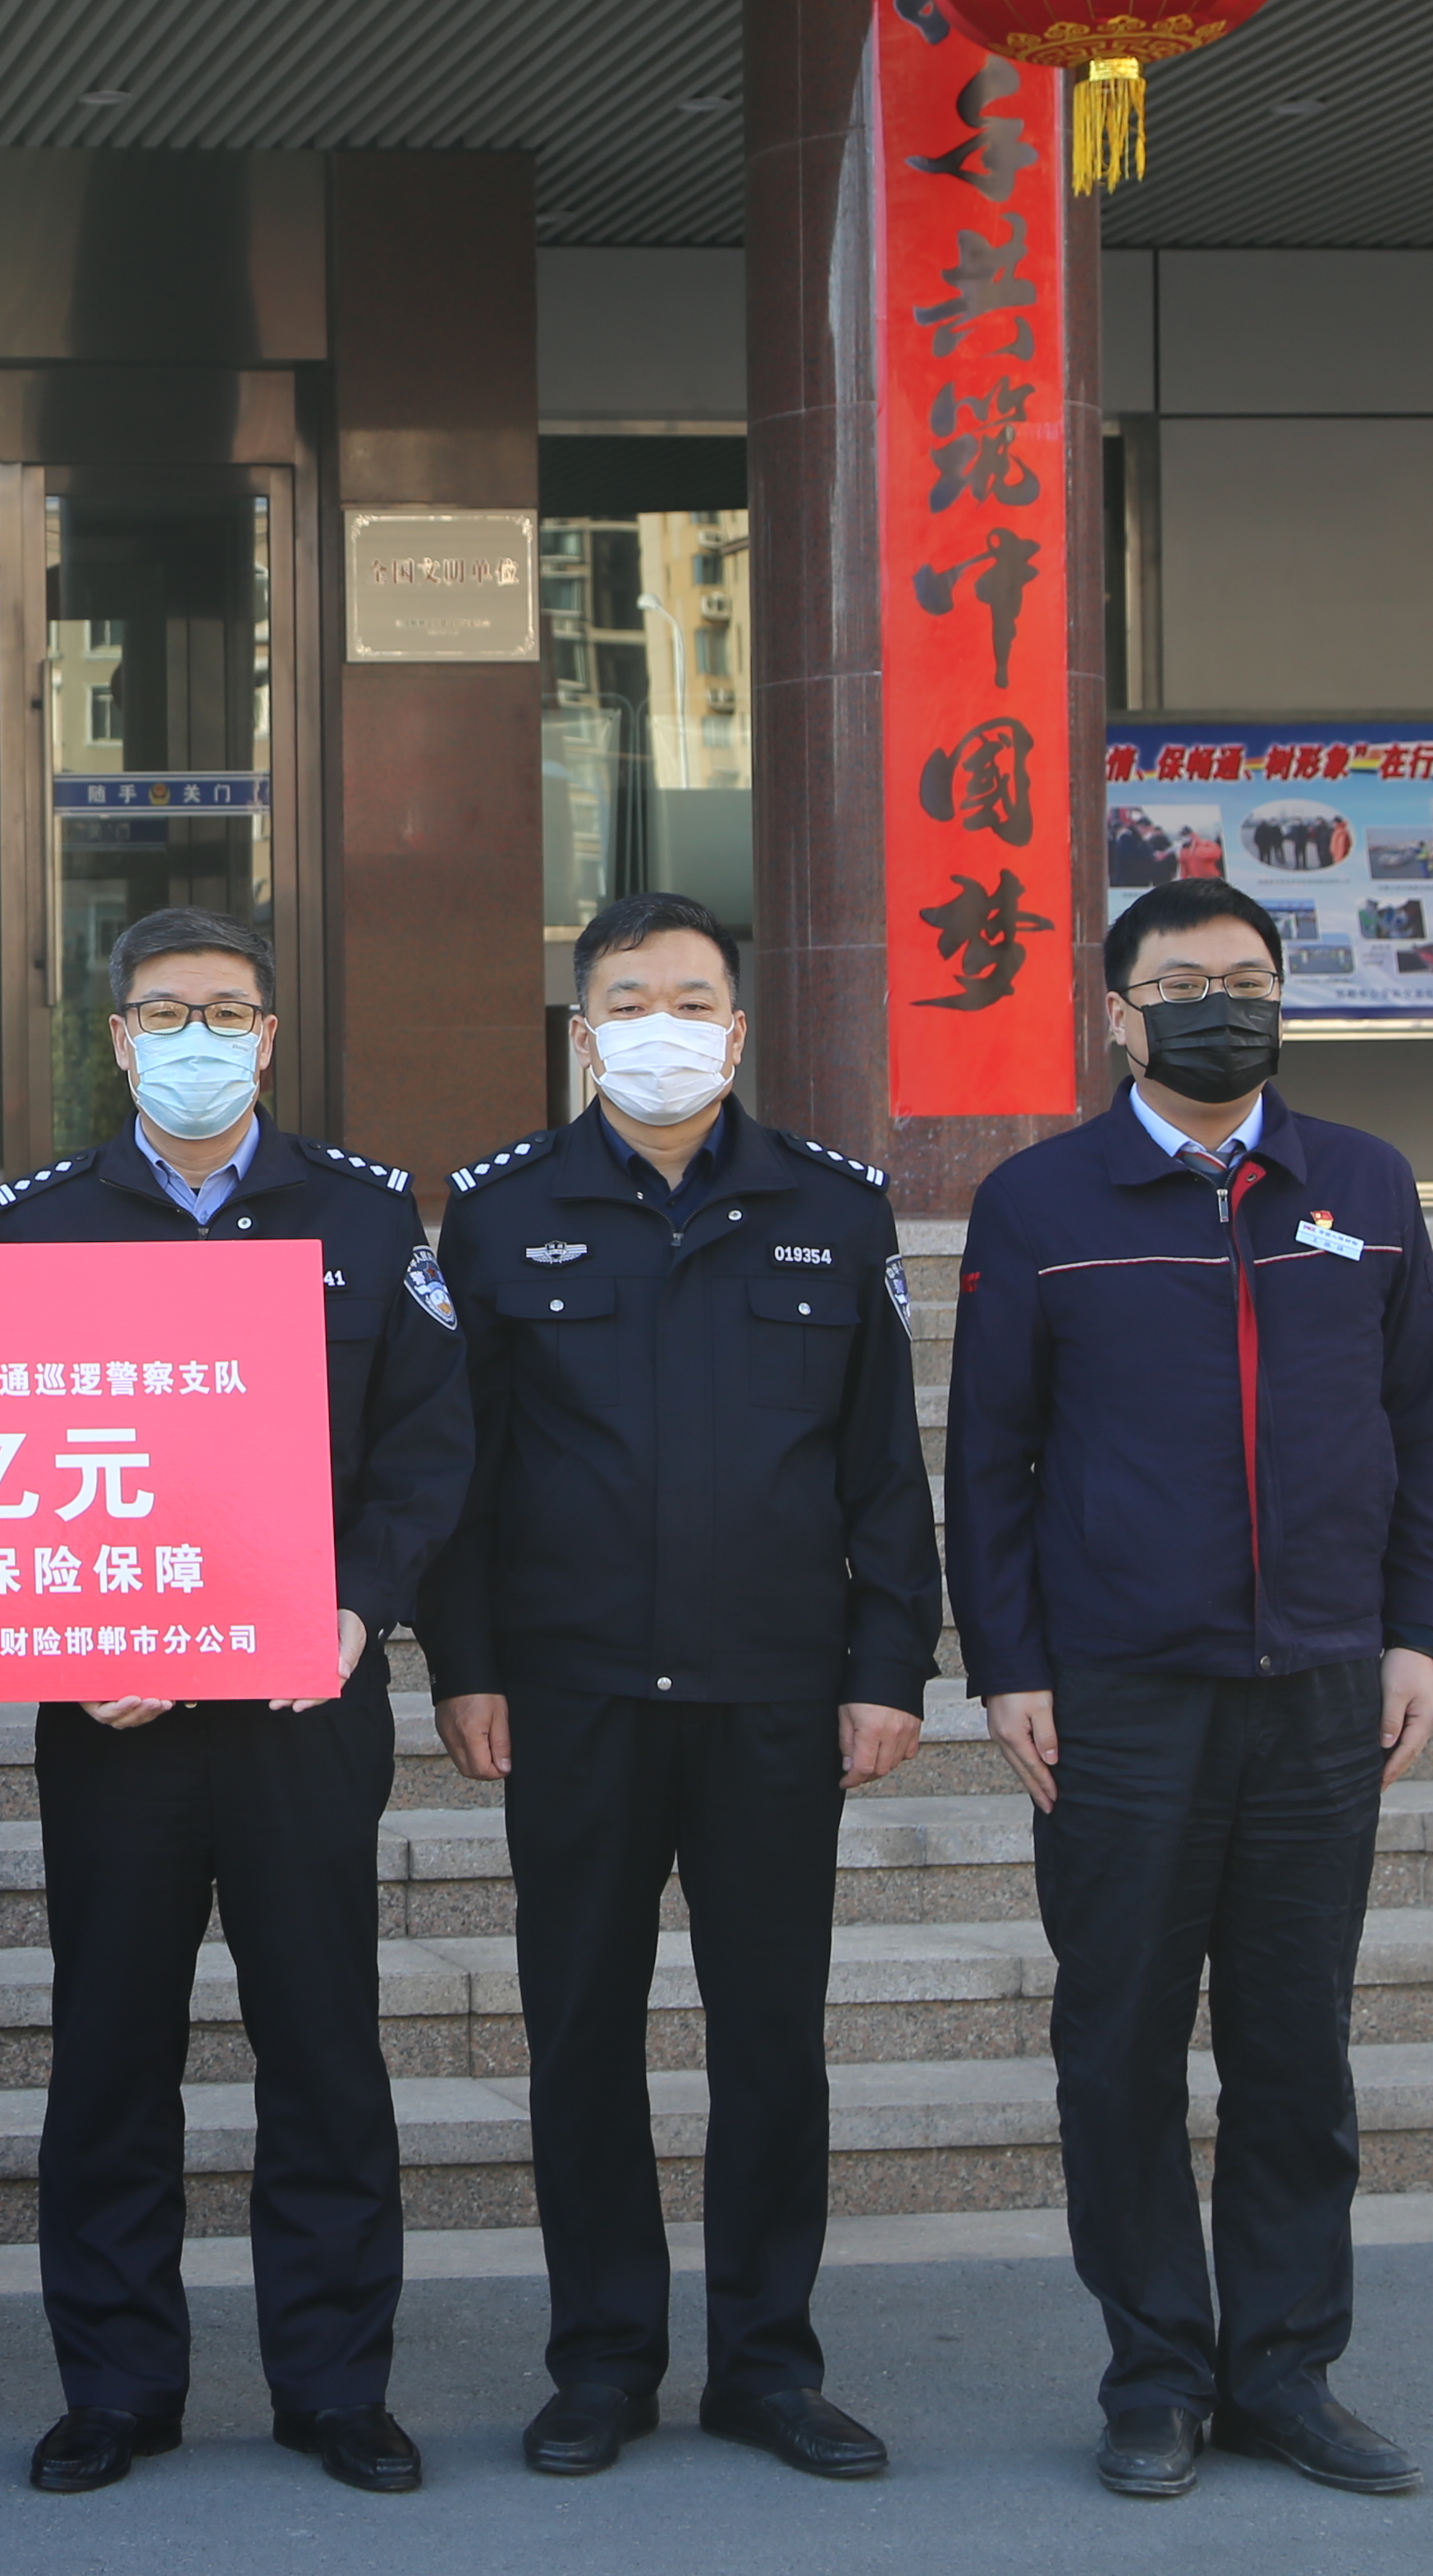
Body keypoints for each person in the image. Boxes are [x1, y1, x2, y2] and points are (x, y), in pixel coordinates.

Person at [943, 874, 1433, 2503]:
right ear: (1119, 1012)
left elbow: (1425, 1428)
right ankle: (1156, 2375)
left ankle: (1289, 2371)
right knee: (1118, 2046)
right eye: (1181, 981)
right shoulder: (1041, 1204)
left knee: (1295, 2049)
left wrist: (1412, 1631)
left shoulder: (1365, 1185)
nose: (1217, 1003)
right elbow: (991, 1464)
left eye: (1246, 977)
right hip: (1118, 1698)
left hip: (1320, 1686)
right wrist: (1009, 1668)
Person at [421, 893, 938, 2485]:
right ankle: (604, 2362)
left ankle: (768, 2365)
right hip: (572, 1696)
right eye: (629, 999)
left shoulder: (834, 1211)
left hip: (775, 1695)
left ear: (735, 1025)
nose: (663, 1023)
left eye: (691, 997)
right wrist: (468, 1668)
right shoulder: (502, 1214)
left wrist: (888, 1667)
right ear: (586, 1033)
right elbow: (462, 1472)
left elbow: (879, 1473)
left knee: (770, 2039)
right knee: (582, 2033)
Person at [0, 905, 470, 2499]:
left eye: (230, 1012)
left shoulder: (363, 1212)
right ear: (117, 1039)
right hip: (111, 1722)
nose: (200, 1037)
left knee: (323, 2049)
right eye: (167, 1012)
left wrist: (351, 1610)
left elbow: (426, 1451)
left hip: (300, 1710)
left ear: (270, 1036)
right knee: (110, 2054)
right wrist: (64, 1640)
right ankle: (117, 2386)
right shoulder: (37, 1226)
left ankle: (333, 2383)